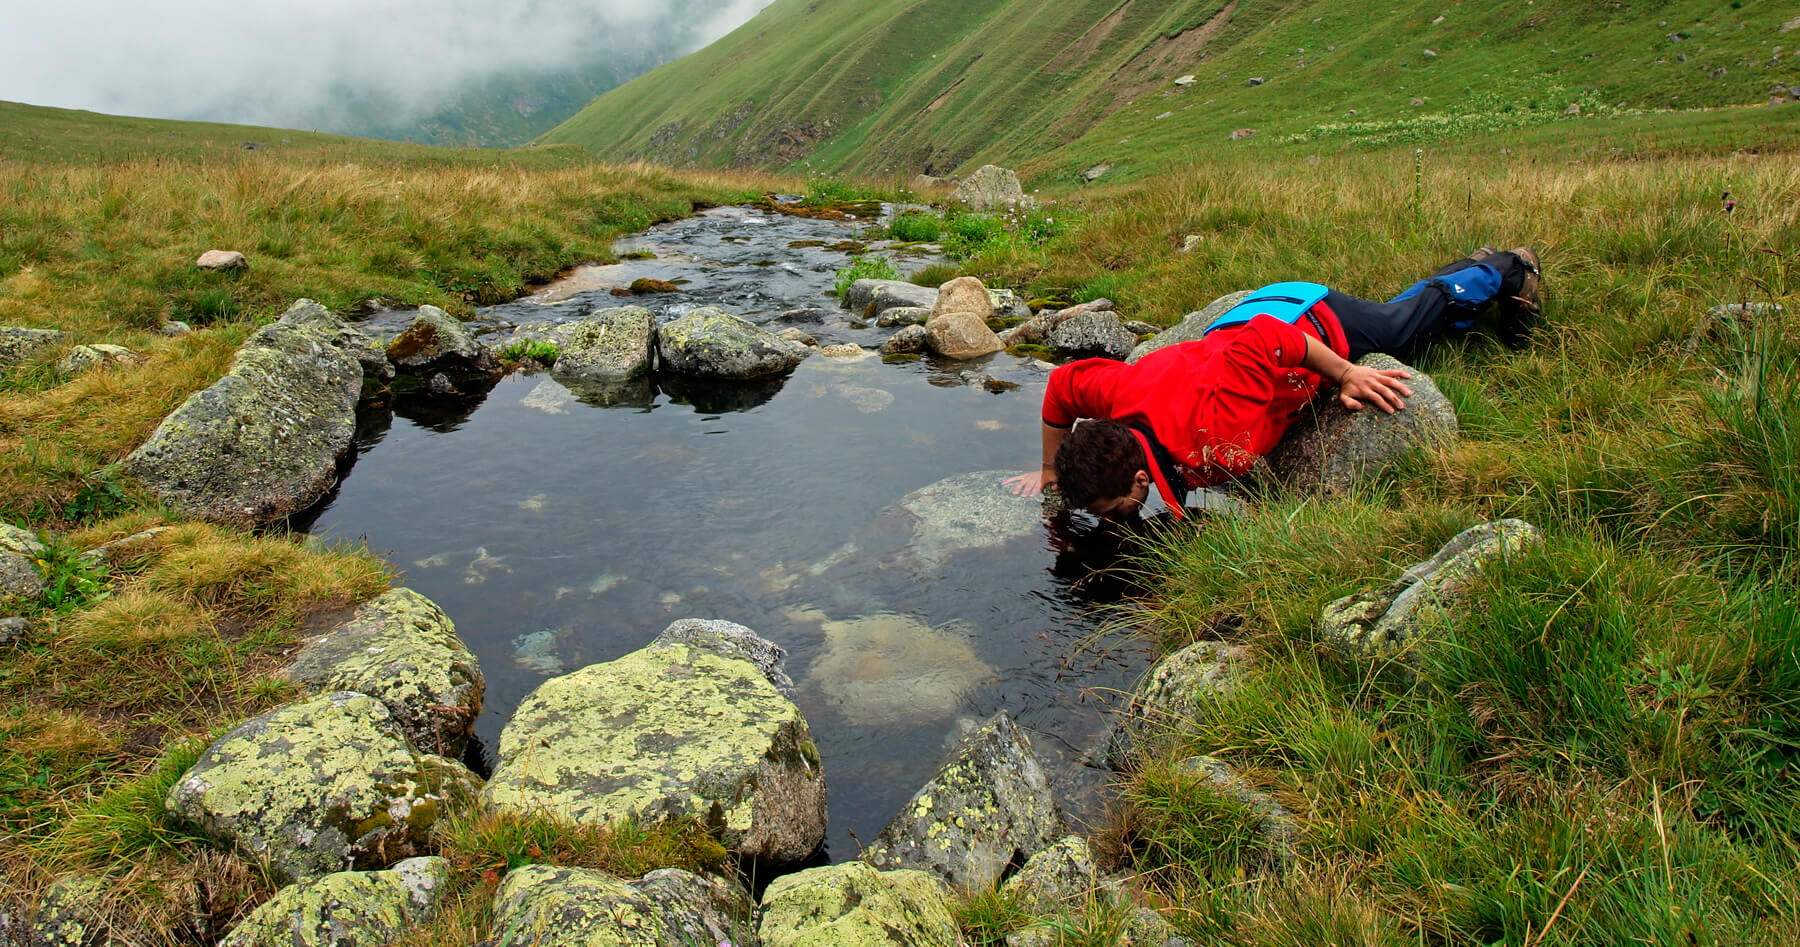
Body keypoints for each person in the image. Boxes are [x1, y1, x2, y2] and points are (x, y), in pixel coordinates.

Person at [1003, 247, 1541, 518]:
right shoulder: (1117, 397)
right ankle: (1457, 276)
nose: (1115, 520)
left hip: (1304, 318)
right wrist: (1051, 468)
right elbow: (1062, 389)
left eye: (1112, 511)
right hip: (1236, 325)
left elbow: (1265, 338)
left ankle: (1507, 268)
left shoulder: (1220, 445)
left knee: (1406, 330)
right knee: (1408, 314)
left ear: (1141, 482)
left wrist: (1347, 372)